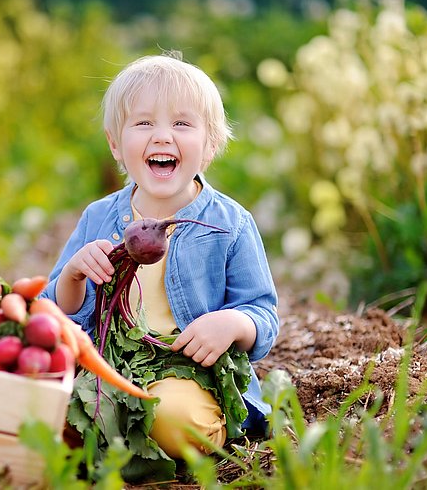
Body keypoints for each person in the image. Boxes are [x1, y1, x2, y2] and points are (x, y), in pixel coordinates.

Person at [41, 52, 279, 464]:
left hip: (186, 371)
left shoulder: (230, 223)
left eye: (182, 124)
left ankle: (199, 427)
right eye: (144, 122)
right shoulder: (99, 217)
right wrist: (74, 276)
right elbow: (54, 312)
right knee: (41, 405)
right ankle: (116, 436)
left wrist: (232, 323)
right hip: (107, 366)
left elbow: (263, 314)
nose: (163, 137)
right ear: (116, 143)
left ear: (210, 146)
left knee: (172, 418)